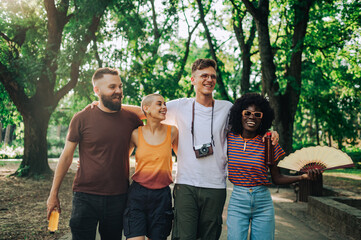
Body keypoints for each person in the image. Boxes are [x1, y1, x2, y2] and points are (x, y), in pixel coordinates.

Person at [89, 59, 279, 239]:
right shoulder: (179, 106)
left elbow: (249, 125)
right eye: (204, 75)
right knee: (184, 235)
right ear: (193, 80)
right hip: (186, 184)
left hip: (215, 185)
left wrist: (271, 133)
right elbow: (144, 111)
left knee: (209, 236)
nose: (209, 79)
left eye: (212, 76)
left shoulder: (227, 108)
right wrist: (103, 106)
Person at [46, 67, 143, 240]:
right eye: (112, 87)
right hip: (85, 197)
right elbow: (66, 157)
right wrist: (53, 194)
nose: (119, 91)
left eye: (120, 87)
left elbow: (149, 111)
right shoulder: (81, 118)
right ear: (96, 90)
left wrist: (105, 102)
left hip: (118, 197)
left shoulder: (130, 119)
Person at [226, 92, 320, 240]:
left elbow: (277, 178)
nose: (252, 117)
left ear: (263, 118)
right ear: (240, 114)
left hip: (262, 204)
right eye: (247, 113)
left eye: (258, 114)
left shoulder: (269, 143)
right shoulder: (229, 138)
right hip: (238, 202)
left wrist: (303, 176)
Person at [123, 93, 178, 240]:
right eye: (159, 104)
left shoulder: (172, 131)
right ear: (146, 109)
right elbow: (121, 159)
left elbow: (185, 158)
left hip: (162, 197)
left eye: (165, 104)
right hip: (138, 194)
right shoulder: (135, 134)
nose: (164, 107)